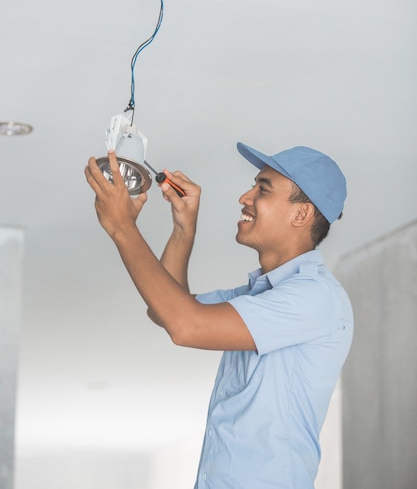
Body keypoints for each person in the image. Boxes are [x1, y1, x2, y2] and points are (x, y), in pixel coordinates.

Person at [85, 142, 353, 489]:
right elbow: (166, 312)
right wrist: (184, 230)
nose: (245, 197)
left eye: (262, 189)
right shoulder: (261, 297)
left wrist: (123, 228)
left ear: (301, 215)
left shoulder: (315, 298)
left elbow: (186, 326)